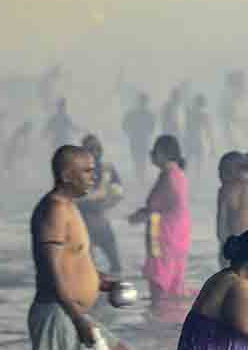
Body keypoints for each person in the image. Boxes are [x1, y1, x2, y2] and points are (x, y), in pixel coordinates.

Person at [28, 145, 144, 350]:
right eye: (88, 171)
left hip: (73, 313)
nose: (94, 177)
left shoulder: (70, 208)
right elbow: (51, 270)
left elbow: (75, 263)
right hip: (59, 314)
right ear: (67, 175)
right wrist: (78, 319)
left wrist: (104, 283)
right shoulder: (54, 209)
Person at [129, 135, 191, 305]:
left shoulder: (168, 176)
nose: (151, 155)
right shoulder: (179, 175)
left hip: (164, 235)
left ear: (163, 154)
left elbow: (154, 206)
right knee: (174, 284)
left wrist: (136, 217)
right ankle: (169, 324)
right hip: (179, 234)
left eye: (154, 152)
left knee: (159, 282)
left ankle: (157, 323)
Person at [78, 134, 124, 274]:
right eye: (91, 149)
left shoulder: (79, 171)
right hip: (95, 220)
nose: (95, 152)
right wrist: (105, 204)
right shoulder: (106, 169)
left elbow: (118, 193)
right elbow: (118, 193)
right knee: (113, 264)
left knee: (90, 267)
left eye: (96, 149)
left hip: (89, 220)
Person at [122, 92, 156, 184]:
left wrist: (129, 132)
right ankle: (140, 177)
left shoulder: (133, 113)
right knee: (140, 158)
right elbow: (152, 126)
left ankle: (139, 176)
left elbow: (125, 124)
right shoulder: (146, 114)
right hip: (140, 138)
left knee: (138, 158)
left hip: (137, 139)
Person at [184, 94, 216, 175]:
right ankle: (197, 180)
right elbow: (209, 131)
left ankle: (184, 179)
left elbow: (187, 128)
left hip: (191, 140)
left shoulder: (190, 113)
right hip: (201, 141)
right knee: (200, 165)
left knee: (188, 162)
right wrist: (213, 146)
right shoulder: (205, 115)